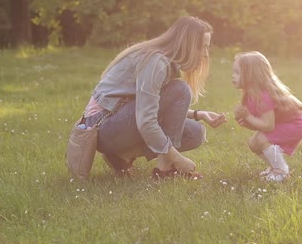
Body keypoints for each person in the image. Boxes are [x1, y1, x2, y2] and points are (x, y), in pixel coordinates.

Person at [83, 16, 226, 179]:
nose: (206, 54)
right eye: (202, 47)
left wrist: (198, 114)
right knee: (180, 89)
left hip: (118, 122)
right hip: (102, 129)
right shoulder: (156, 63)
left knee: (195, 132)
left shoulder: (164, 62)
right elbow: (146, 120)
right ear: (186, 45)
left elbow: (151, 104)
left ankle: (122, 155)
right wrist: (177, 158)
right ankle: (166, 168)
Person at [232, 51, 302, 182]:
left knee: (261, 140)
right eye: (233, 72)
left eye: (238, 73)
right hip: (283, 123)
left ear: (251, 75)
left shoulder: (263, 96)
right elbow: (262, 123)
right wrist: (248, 122)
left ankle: (281, 171)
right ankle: (275, 167)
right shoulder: (250, 95)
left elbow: (268, 126)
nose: (233, 76)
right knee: (253, 144)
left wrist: (248, 116)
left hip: (295, 125)